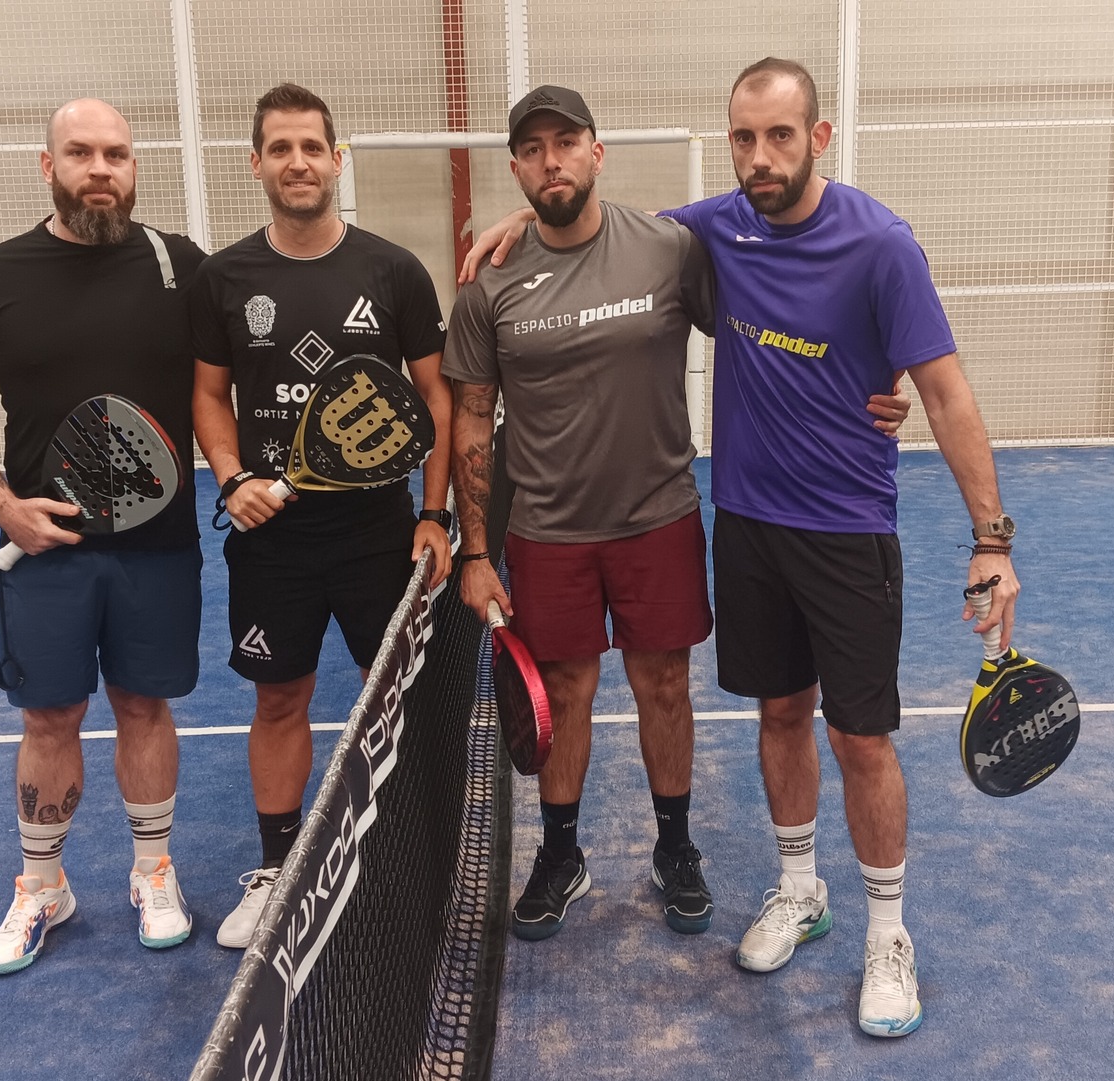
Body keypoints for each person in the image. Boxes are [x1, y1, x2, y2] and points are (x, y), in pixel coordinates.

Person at [465, 58, 1021, 1037]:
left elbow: (944, 389)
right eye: (744, 137)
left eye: (780, 135)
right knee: (780, 714)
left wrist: (991, 538)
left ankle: (888, 932)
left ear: (820, 136)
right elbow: (593, 230)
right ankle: (799, 889)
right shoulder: (712, 229)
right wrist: (525, 220)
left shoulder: (881, 244)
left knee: (860, 737)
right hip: (751, 525)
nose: (761, 156)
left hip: (848, 529)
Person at [0, 98, 207, 975]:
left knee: (143, 705)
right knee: (49, 715)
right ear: (47, 166)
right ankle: (43, 885)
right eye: (80, 153)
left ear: (134, 166)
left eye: (116, 154)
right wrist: (2, 504)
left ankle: (152, 871)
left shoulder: (181, 266)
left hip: (159, 545)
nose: (100, 169)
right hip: (44, 548)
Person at [444, 86, 719, 942]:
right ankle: (561, 854)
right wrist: (475, 551)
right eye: (532, 149)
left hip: (658, 516)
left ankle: (675, 847)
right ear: (517, 168)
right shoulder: (489, 283)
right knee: (563, 692)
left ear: (597, 152)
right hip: (547, 530)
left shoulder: (669, 248)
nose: (551, 159)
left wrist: (867, 381)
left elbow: (762, 319)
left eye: (566, 142)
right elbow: (472, 418)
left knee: (664, 684)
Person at [188, 83, 453, 949]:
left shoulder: (393, 271)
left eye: (312, 147)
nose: (297, 162)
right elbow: (209, 393)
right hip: (272, 539)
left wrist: (436, 513)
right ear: (256, 163)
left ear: (337, 160)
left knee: (392, 697)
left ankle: (405, 856)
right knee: (280, 697)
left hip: (378, 531)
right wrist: (232, 478)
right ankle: (276, 867)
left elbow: (436, 401)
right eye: (280, 148)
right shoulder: (224, 279)